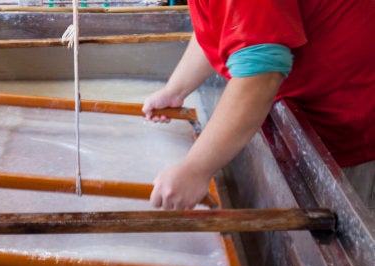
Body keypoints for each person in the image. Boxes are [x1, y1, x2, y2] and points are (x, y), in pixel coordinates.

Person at [142, 1, 375, 210]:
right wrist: (175, 91)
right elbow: (222, 24)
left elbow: (260, 73)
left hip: (351, 119)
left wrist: (196, 169)